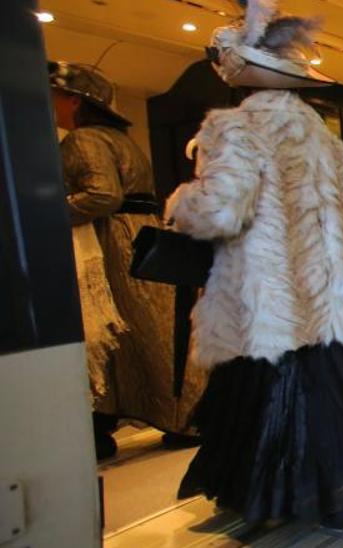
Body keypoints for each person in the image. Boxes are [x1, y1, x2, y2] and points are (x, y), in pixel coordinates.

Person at [167, 4, 343, 528]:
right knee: (331, 400)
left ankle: (271, 503)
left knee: (263, 403)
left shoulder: (232, 127)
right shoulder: (321, 134)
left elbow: (220, 212)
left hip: (267, 296)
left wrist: (180, 202)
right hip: (327, 295)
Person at [49, 62, 205, 459]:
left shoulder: (81, 140)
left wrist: (51, 212)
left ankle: (107, 422)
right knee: (158, 331)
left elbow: (102, 195)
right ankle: (185, 413)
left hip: (114, 242)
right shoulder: (120, 139)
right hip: (142, 234)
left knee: (113, 331)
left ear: (74, 100)